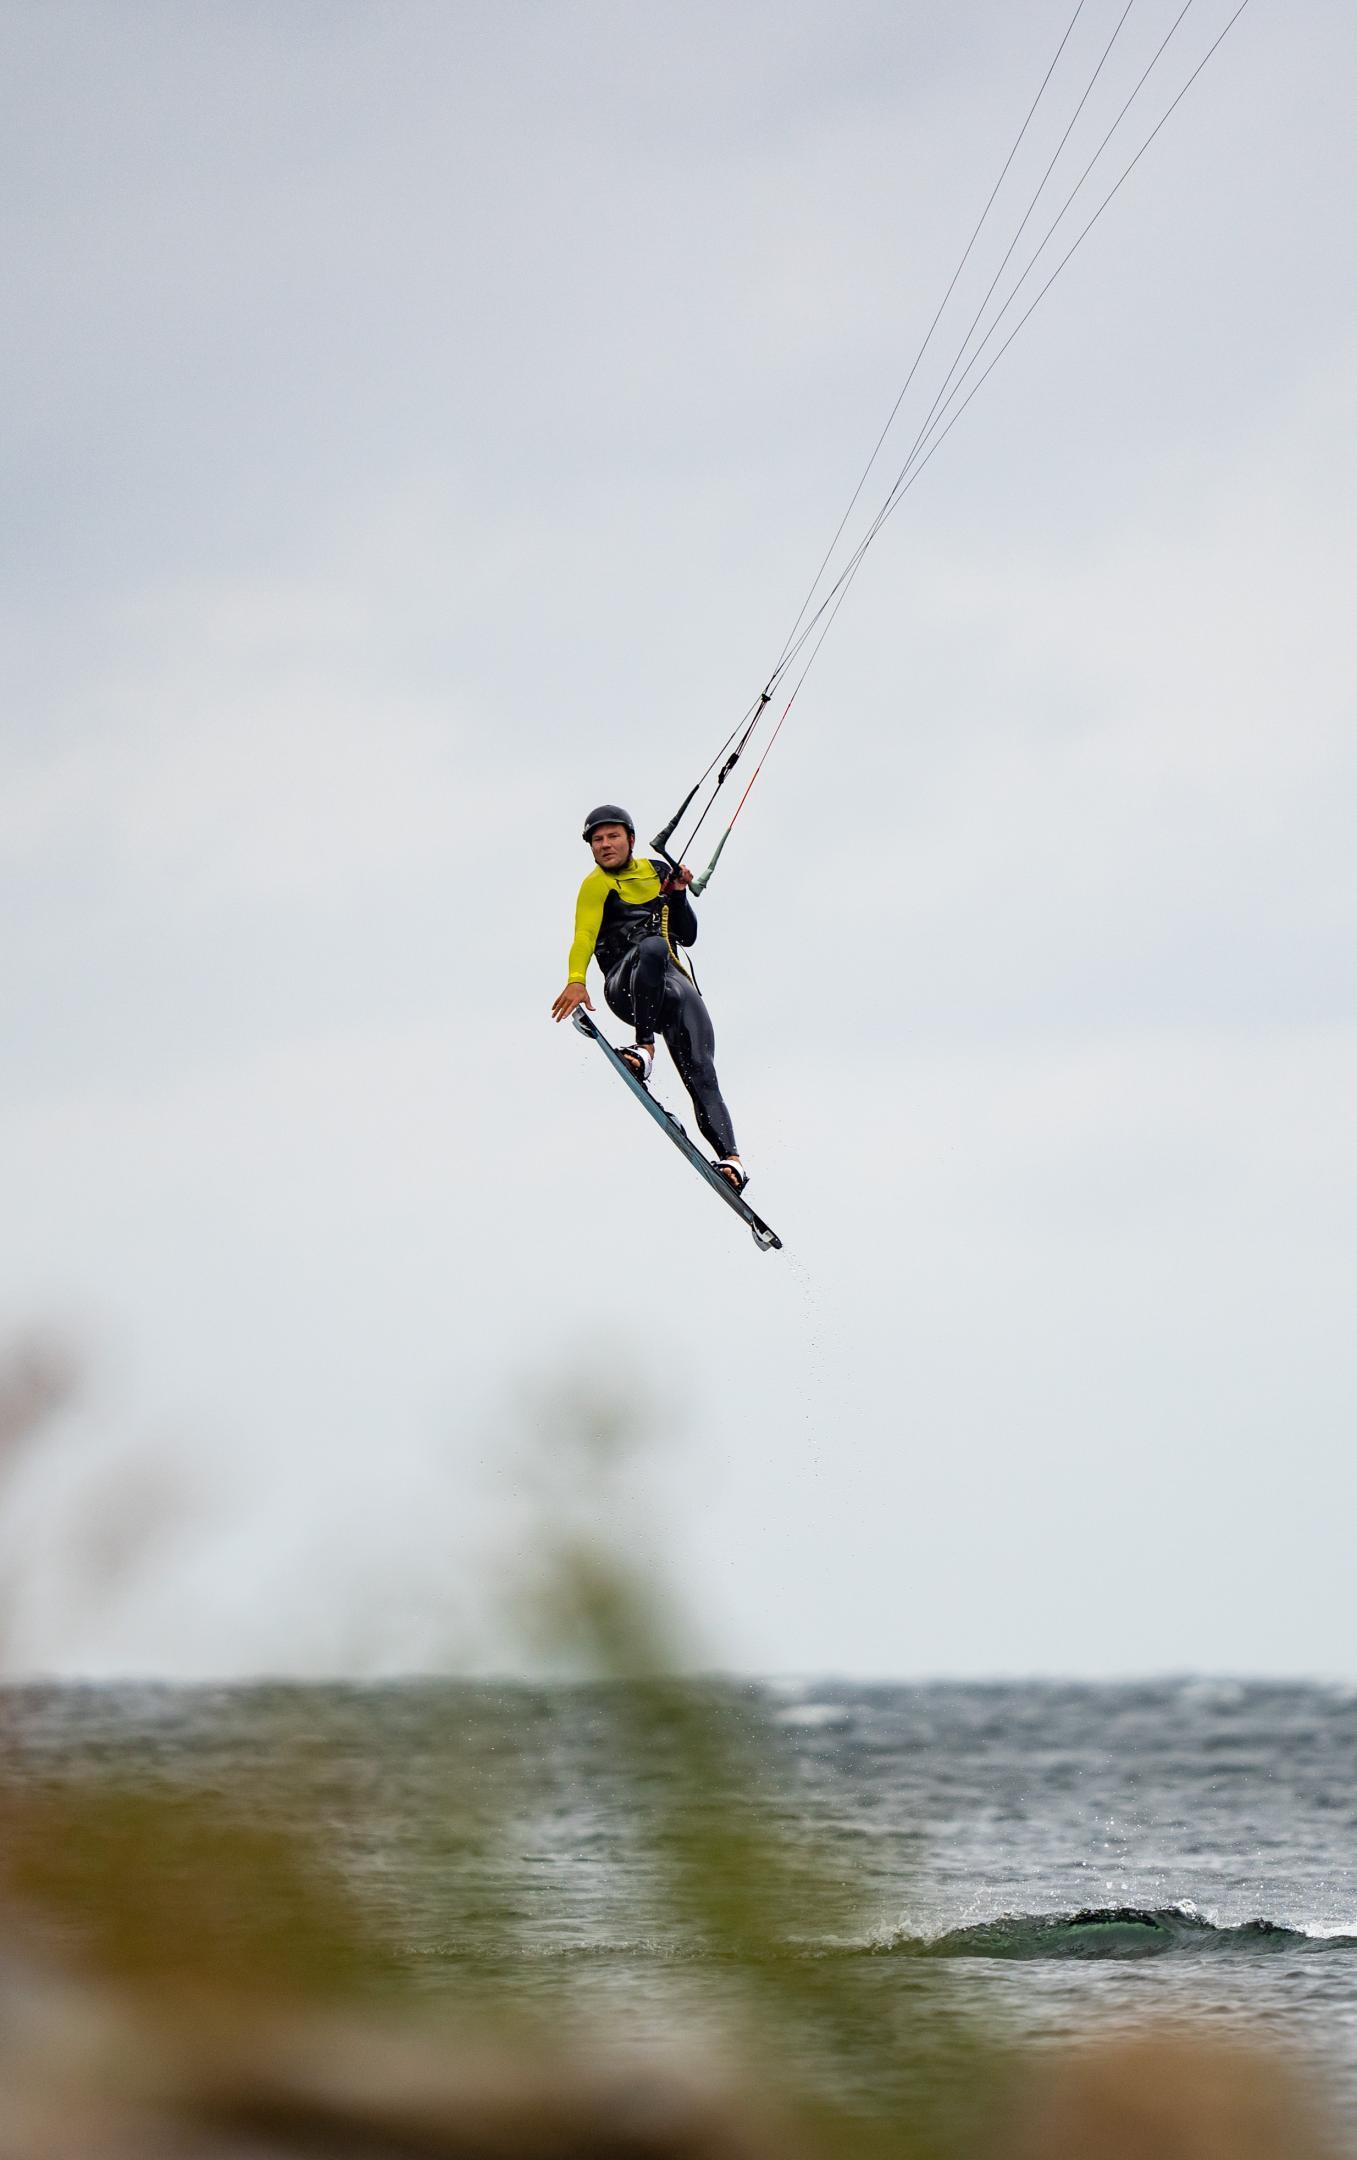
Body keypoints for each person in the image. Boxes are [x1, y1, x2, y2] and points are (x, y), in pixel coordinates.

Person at [551, 804, 747, 1192]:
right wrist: (576, 979)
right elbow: (583, 937)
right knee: (653, 947)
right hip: (627, 984)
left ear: (631, 839)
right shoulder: (595, 885)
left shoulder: (657, 872)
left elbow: (688, 935)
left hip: (676, 989)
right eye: (597, 840)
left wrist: (677, 894)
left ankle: (732, 1160)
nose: (605, 845)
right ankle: (644, 1049)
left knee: (703, 1073)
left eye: (612, 837)